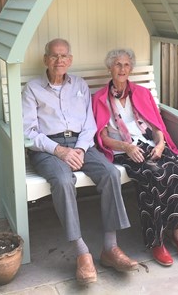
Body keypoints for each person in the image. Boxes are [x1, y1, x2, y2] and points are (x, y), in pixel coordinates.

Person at [22, 38, 138, 284]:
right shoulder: (32, 88)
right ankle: (82, 252)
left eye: (64, 56)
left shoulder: (80, 85)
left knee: (110, 173)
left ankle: (110, 248)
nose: (59, 61)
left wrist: (81, 149)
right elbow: (29, 133)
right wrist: (60, 151)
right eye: (54, 56)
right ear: (45, 59)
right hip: (47, 148)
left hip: (81, 144)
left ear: (70, 60)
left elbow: (89, 124)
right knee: (64, 180)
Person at [92, 48, 178, 267]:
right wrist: (126, 147)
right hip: (123, 150)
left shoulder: (141, 93)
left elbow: (157, 125)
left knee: (175, 168)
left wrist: (160, 144)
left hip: (149, 145)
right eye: (118, 64)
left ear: (131, 68)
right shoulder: (100, 98)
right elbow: (102, 137)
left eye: (126, 65)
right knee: (153, 175)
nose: (122, 69)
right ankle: (157, 241)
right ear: (110, 67)